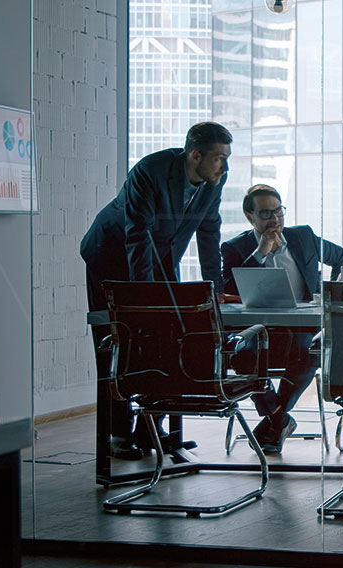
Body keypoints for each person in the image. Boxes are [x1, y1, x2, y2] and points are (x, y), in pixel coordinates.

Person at [81, 121, 233, 460]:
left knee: (171, 336)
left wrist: (215, 289)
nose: (225, 166)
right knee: (118, 339)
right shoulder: (151, 170)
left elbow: (209, 233)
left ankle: (150, 427)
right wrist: (144, 297)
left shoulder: (214, 181)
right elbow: (136, 233)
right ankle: (118, 434)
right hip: (111, 254)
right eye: (219, 158)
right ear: (195, 155)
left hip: (160, 254)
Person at [221, 184, 343, 454]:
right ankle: (279, 419)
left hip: (300, 328)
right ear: (249, 216)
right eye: (266, 213)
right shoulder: (234, 247)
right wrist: (261, 253)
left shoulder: (303, 237)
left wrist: (327, 293)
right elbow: (230, 289)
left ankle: (274, 420)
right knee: (241, 355)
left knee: (311, 352)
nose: (275, 219)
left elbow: (342, 258)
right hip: (258, 331)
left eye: (279, 211)